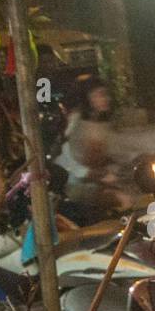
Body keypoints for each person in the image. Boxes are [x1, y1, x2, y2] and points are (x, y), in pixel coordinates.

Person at [60, 78, 132, 214]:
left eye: (106, 94)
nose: (106, 99)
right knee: (124, 200)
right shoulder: (76, 121)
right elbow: (64, 158)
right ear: (88, 98)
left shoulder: (102, 123)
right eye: (99, 94)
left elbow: (109, 153)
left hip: (100, 181)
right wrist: (91, 173)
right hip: (78, 186)